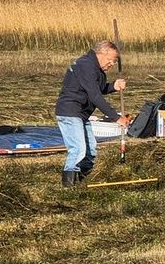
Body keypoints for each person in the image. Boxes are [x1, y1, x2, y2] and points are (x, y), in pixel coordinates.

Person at [54, 40, 127, 187]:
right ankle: (68, 186)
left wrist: (113, 86)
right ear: (101, 53)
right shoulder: (86, 65)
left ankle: (82, 179)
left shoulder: (96, 69)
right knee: (78, 149)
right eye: (110, 60)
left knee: (90, 150)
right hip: (70, 112)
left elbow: (97, 88)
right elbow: (95, 95)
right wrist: (116, 117)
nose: (112, 64)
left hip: (82, 114)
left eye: (114, 62)